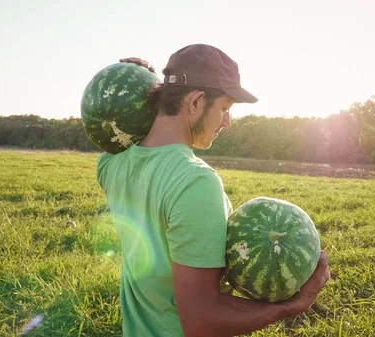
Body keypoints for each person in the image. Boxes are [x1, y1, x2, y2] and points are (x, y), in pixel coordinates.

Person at [96, 44, 330, 337]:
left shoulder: (112, 163)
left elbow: (117, 124)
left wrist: (145, 84)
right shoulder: (195, 181)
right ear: (195, 102)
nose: (228, 122)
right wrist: (294, 305)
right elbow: (200, 320)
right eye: (225, 109)